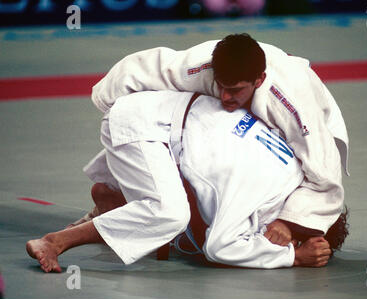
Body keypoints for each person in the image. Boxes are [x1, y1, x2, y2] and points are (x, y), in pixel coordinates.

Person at [26, 91, 347, 272]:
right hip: (145, 129)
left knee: (195, 213)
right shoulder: (262, 191)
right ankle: (55, 241)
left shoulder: (292, 168)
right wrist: (293, 258)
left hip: (166, 117)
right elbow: (220, 247)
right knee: (170, 216)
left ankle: (114, 200)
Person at [90, 33, 350, 247]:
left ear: (259, 80)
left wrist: (285, 221)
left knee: (268, 187)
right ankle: (118, 193)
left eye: (235, 90)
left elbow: (327, 180)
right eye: (221, 86)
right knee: (182, 129)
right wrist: (109, 105)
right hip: (250, 94)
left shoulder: (294, 105)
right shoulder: (202, 65)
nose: (225, 97)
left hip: (312, 124)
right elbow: (146, 68)